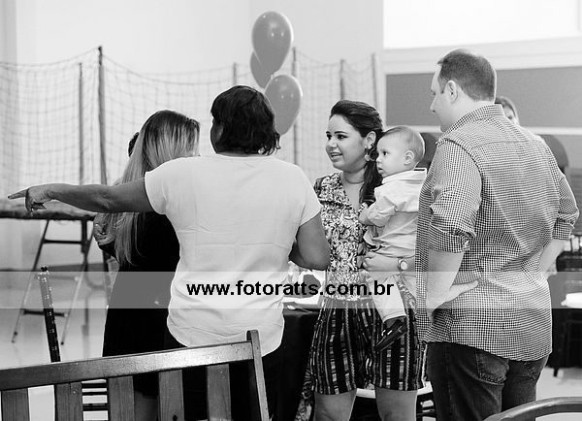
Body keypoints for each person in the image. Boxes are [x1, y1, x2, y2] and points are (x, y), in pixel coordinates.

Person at [9, 85, 330, 420]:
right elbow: (317, 257)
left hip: (191, 337)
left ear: (220, 129)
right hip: (261, 337)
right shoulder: (293, 178)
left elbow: (107, 198)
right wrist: (277, 241)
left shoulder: (183, 173)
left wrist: (52, 189)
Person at [420, 49, 579, 420]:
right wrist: (534, 272)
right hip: (530, 319)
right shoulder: (536, 144)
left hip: (473, 327)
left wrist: (433, 295)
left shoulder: (458, 144)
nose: (431, 105)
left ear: (453, 90)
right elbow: (568, 214)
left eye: (435, 94)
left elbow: (451, 225)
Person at [306, 100, 423, 421]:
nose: (331, 144)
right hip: (336, 309)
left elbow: (435, 251)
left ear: (369, 140)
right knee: (328, 414)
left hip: (392, 311)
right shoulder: (321, 189)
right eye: (328, 136)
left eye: (341, 136)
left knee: (396, 415)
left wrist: (398, 265)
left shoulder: (399, 187)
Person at [92, 111, 199, 420]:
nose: (197, 158)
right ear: (173, 151)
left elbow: (124, 249)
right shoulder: (165, 204)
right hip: (153, 325)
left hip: (128, 320)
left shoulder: (132, 196)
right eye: (191, 149)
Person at [358, 126, 426, 352]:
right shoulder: (421, 185)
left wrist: (364, 215)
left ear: (407, 158)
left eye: (385, 154)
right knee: (413, 284)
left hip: (392, 249)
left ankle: (394, 318)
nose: (378, 159)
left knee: (376, 276)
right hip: (413, 248)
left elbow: (378, 217)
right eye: (378, 154)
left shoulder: (391, 189)